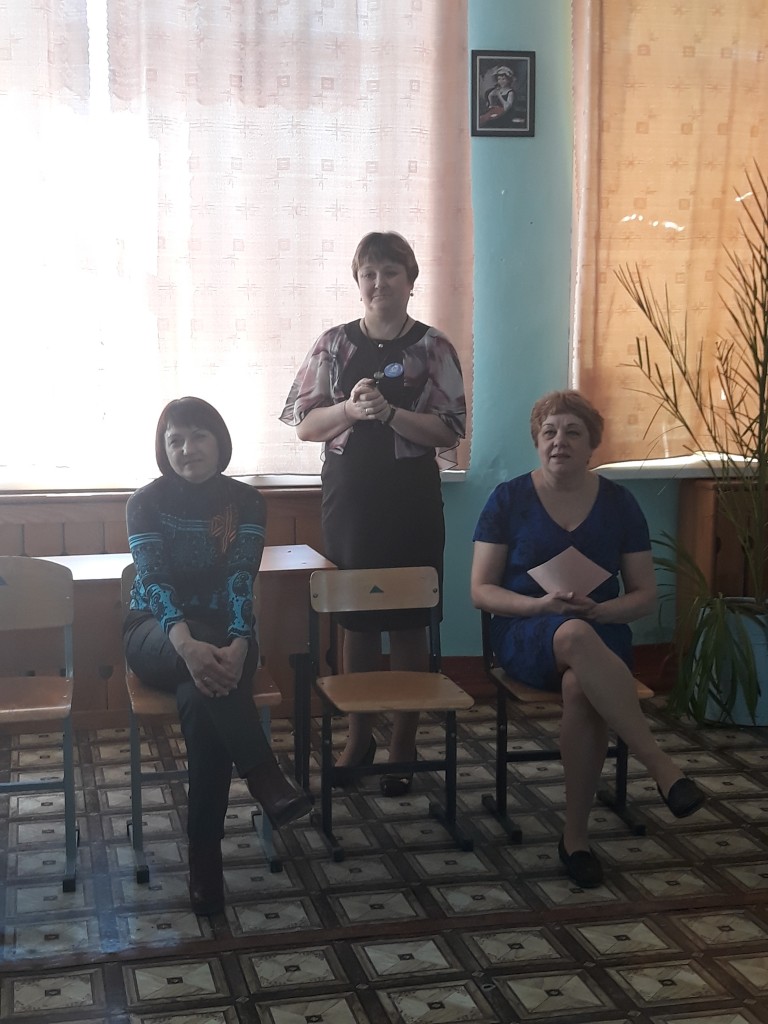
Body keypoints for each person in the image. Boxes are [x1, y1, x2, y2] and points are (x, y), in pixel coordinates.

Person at [470, 390, 705, 888]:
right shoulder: (508, 499)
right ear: (537, 440)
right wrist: (541, 606)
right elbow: (481, 591)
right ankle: (662, 767)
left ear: (592, 444)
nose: (560, 441)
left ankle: (574, 838)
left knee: (581, 683)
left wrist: (600, 610)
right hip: (525, 631)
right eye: (550, 432)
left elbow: (644, 595)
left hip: (602, 631)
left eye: (573, 432)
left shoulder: (620, 503)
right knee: (574, 633)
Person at [280, 231, 466, 796]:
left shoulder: (434, 346)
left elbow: (450, 431)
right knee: (354, 620)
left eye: (391, 272)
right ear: (357, 282)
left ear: (411, 281)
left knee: (410, 620)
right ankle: (357, 737)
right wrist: (350, 409)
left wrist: (389, 415)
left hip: (411, 501)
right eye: (369, 273)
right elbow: (304, 425)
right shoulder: (334, 344)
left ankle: (403, 743)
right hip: (351, 502)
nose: (379, 282)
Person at [123, 397, 311, 916]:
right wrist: (186, 645)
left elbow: (241, 578)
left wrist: (241, 642)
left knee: (201, 701)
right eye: (175, 440)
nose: (187, 448)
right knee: (202, 675)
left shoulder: (246, 501)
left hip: (230, 636)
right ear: (163, 449)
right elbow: (155, 582)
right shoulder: (145, 502)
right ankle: (264, 774)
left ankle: (203, 856)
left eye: (198, 436)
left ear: (219, 441)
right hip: (153, 633)